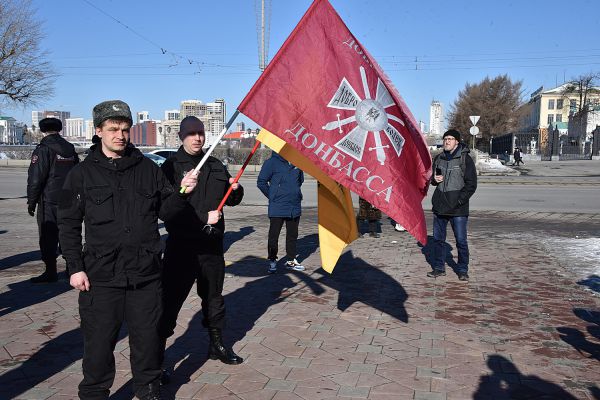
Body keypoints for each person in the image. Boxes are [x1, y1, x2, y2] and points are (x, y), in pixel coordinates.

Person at [58, 100, 173, 400]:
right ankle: (95, 394)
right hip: (100, 276)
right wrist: (75, 267)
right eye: (113, 129)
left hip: (145, 275)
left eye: (125, 129)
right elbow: (68, 224)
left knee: (147, 342)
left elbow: (169, 210)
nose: (120, 135)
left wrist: (186, 192)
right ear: (98, 131)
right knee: (98, 345)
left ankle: (149, 390)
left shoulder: (148, 169)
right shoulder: (81, 174)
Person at [159, 116, 244, 373]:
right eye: (192, 133)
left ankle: (216, 344)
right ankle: (156, 357)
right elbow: (166, 210)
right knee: (169, 301)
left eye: (201, 133)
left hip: (211, 246)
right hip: (181, 248)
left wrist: (236, 189)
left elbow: (231, 200)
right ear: (181, 136)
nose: (198, 138)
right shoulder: (170, 167)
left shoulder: (215, 165)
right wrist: (201, 217)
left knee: (214, 298)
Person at [27, 117, 79, 283]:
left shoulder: (43, 149)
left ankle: (50, 272)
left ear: (43, 130)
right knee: (69, 233)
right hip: (70, 199)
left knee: (48, 235)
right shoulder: (70, 149)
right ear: (59, 129)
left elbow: (36, 179)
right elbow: (78, 175)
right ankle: (72, 269)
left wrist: (32, 201)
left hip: (49, 200)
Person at [429, 129, 477, 282]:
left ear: (457, 141)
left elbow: (471, 185)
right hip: (440, 206)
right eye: (445, 139)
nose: (447, 141)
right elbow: (433, 179)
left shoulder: (465, 159)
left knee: (461, 241)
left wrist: (459, 201)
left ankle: (462, 269)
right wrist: (434, 180)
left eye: (450, 139)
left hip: (458, 209)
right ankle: (439, 267)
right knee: (438, 240)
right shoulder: (439, 158)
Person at [257, 152, 305, 273]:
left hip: (294, 206)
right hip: (277, 206)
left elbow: (300, 180)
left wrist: (295, 193)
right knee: (274, 235)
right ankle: (272, 261)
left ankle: (291, 260)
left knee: (292, 235)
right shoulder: (271, 162)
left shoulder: (297, 161)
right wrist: (273, 196)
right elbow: (261, 182)